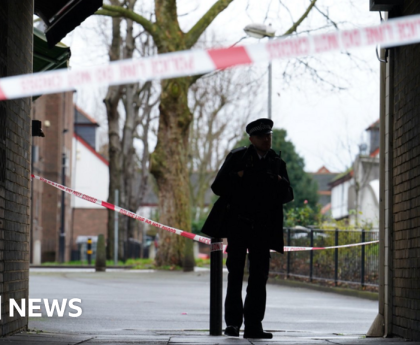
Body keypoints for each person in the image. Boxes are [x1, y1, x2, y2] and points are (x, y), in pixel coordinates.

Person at [202, 118, 294, 339]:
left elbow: (288, 195)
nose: (267, 139)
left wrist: (279, 182)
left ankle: (254, 325)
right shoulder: (238, 157)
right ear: (252, 139)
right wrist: (238, 176)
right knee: (235, 274)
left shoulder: (276, 162)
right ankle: (232, 323)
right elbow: (217, 187)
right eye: (262, 136)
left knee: (259, 277)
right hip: (239, 225)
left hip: (263, 228)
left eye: (269, 135)